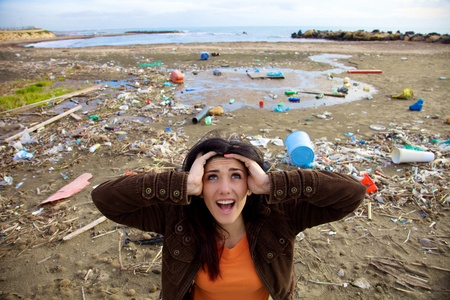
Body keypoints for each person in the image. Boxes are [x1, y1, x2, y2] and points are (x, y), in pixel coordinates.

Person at [92, 132, 366, 300]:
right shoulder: (177, 218)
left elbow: (351, 193)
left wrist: (273, 185)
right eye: (212, 177)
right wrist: (181, 185)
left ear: (251, 182)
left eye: (236, 176)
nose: (225, 189)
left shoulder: (280, 216)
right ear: (198, 185)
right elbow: (105, 199)